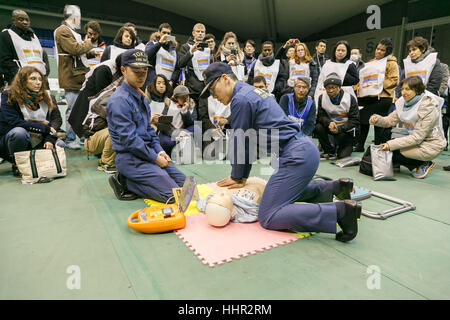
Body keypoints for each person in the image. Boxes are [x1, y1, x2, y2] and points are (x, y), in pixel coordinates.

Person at [201, 62, 361, 242]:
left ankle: (340, 212)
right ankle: (334, 188)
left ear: (225, 79)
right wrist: (241, 175)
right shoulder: (250, 92)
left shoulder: (240, 99)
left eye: (213, 88)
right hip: (303, 151)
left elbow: (241, 141)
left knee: (269, 215)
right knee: (273, 192)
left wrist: (238, 176)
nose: (214, 96)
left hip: (297, 156)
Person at [107, 49, 186, 201]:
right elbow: (129, 140)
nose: (142, 76)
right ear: (123, 70)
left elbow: (149, 131)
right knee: (173, 195)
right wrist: (155, 158)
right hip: (131, 159)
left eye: (144, 71)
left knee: (186, 183)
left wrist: (160, 151)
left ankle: (142, 178)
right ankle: (126, 182)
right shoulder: (119, 101)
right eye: (136, 71)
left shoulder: (140, 97)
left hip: (147, 153)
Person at [369, 76, 446, 178]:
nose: (403, 92)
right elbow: (389, 121)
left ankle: (424, 163)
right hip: (415, 140)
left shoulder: (428, 106)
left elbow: (417, 137)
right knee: (389, 143)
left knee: (394, 150)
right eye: (403, 89)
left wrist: (390, 144)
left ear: (417, 90)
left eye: (408, 89)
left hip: (430, 144)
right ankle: (396, 163)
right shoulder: (404, 102)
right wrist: (377, 119)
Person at [0, 67, 57, 176]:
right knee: (19, 132)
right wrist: (44, 128)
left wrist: (49, 139)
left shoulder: (47, 97)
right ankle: (17, 163)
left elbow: (54, 121)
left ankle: (36, 161)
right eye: (33, 79)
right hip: (11, 140)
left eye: (40, 79)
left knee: (60, 145)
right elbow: (14, 122)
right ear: (22, 80)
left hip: (37, 137)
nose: (38, 83)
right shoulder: (8, 95)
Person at [54, 4, 96, 150]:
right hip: (71, 76)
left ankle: (82, 136)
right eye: (78, 17)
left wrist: (91, 51)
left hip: (78, 76)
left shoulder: (71, 32)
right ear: (74, 17)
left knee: (82, 109)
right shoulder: (62, 31)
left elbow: (79, 52)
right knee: (72, 109)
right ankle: (71, 139)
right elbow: (75, 49)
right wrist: (89, 43)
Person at [355, 38, 399, 151]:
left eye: (382, 50)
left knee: (378, 121)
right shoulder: (370, 63)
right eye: (378, 49)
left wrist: (378, 84)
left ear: (387, 52)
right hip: (368, 96)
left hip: (383, 97)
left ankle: (378, 145)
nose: (378, 51)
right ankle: (360, 145)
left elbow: (394, 80)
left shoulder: (392, 63)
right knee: (363, 119)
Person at [69, 53, 123, 139]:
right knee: (88, 131)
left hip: (93, 107)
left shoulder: (113, 67)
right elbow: (101, 96)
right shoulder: (104, 69)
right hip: (89, 105)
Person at [145, 76, 197, 156]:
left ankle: (183, 148)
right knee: (166, 142)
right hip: (170, 132)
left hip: (183, 130)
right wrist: (176, 134)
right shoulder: (169, 104)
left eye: (186, 96)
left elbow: (191, 123)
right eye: (182, 97)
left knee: (196, 127)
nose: (185, 99)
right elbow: (162, 124)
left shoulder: (192, 104)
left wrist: (184, 112)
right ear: (176, 98)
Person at [315, 73, 360, 160]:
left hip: (346, 132)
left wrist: (340, 129)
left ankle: (342, 147)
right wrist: (329, 122)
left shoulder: (350, 98)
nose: (330, 90)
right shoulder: (322, 98)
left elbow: (355, 120)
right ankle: (329, 151)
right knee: (318, 127)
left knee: (342, 157)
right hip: (331, 128)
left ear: (339, 87)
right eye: (328, 88)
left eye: (333, 87)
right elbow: (321, 116)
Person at [0, 10, 48, 86]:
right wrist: (22, 76)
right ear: (13, 20)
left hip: (40, 81)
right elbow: (5, 61)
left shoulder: (34, 36)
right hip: (19, 82)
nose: (25, 22)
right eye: (21, 19)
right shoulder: (6, 35)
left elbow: (42, 57)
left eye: (27, 20)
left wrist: (44, 73)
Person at [314, 40, 359, 108]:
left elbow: (355, 80)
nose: (340, 52)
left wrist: (341, 73)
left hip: (344, 96)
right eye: (338, 50)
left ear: (347, 52)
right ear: (335, 51)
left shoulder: (350, 64)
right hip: (327, 94)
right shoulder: (327, 63)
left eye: (343, 50)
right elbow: (321, 79)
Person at [177, 23, 212, 105]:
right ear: (193, 33)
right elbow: (180, 64)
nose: (200, 33)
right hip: (191, 88)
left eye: (202, 32)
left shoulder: (207, 48)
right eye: (198, 31)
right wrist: (190, 52)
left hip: (205, 88)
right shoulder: (185, 47)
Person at [145, 23, 180, 87]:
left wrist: (172, 81)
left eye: (168, 33)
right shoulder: (152, 44)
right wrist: (160, 43)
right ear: (159, 33)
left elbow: (177, 68)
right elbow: (146, 56)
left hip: (167, 85)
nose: (166, 35)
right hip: (153, 83)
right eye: (164, 33)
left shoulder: (173, 50)